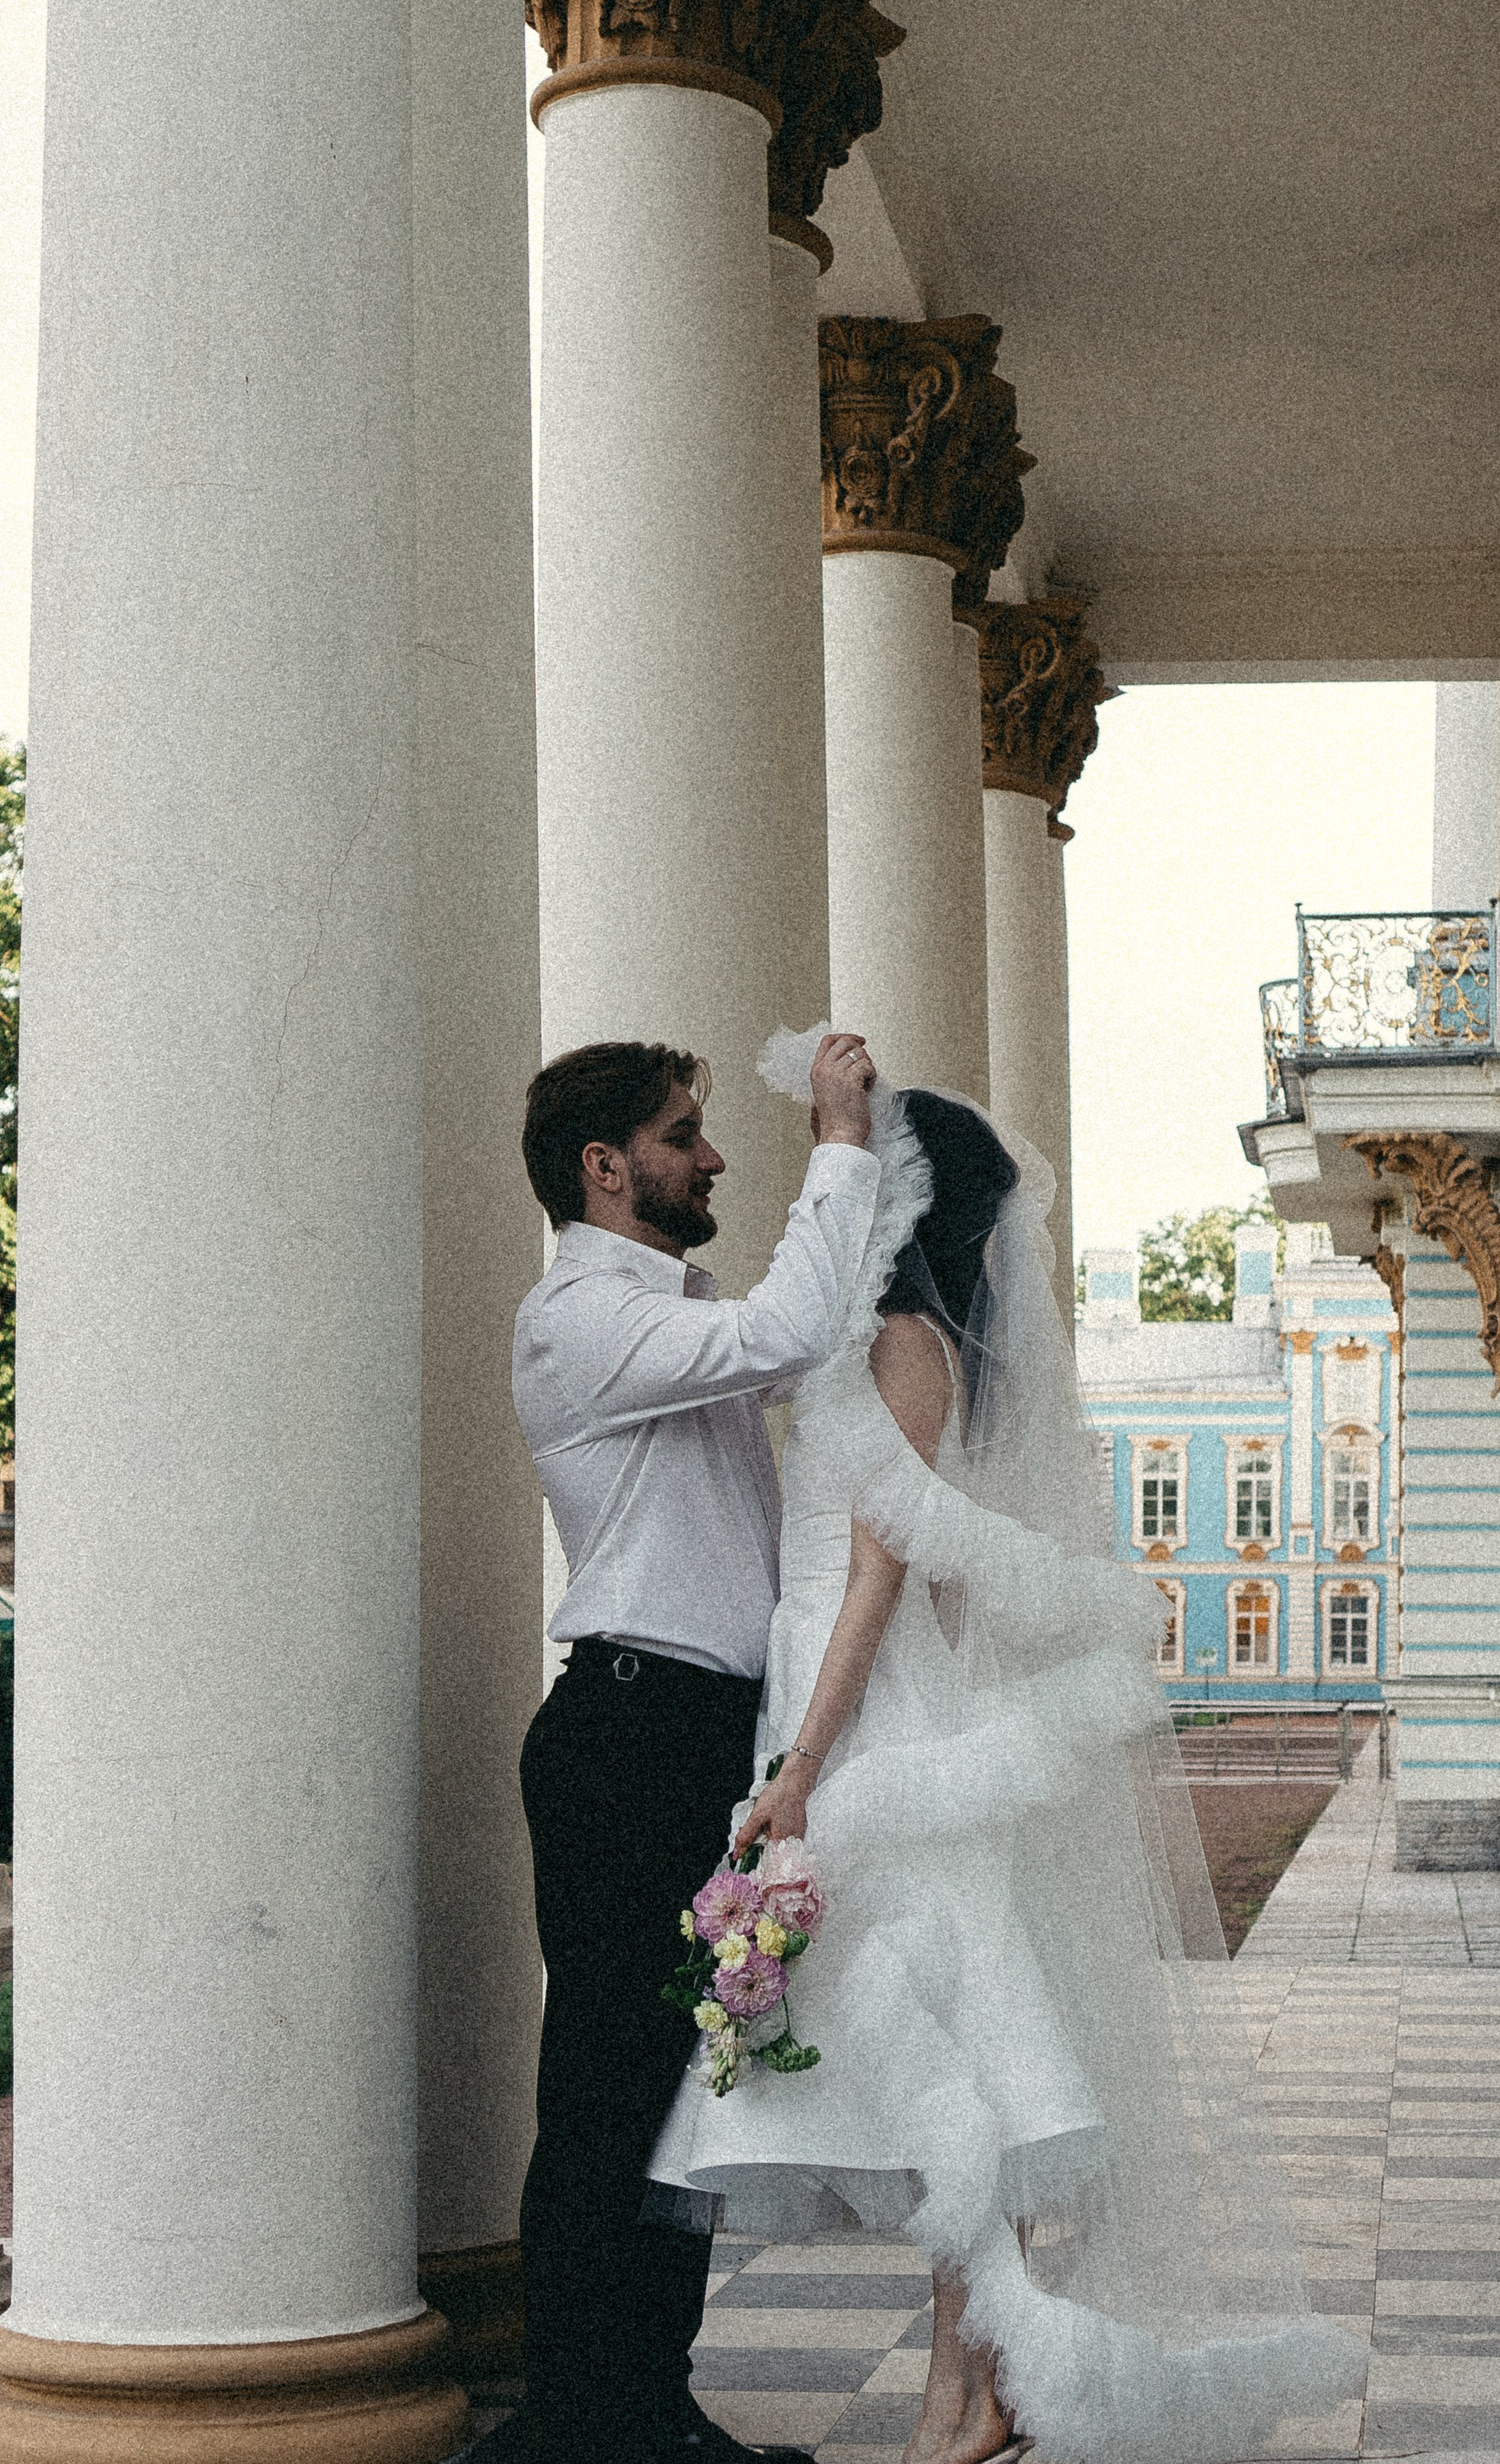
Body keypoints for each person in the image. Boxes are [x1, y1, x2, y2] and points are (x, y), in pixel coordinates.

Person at [650, 1031, 1369, 2464]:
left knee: (956, 2058)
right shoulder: (896, 1347)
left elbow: (878, 1577)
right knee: (944, 2064)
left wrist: (801, 1770)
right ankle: (965, 2387)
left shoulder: (900, 1350)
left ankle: (964, 2390)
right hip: (854, 1688)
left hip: (869, 1713)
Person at [503, 1031, 882, 2464]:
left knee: (672, 2101)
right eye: (682, 1134)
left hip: (694, 1735)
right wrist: (836, 1143)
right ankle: (579, 2427)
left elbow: (806, 1351)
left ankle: (640, 2414)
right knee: (608, 2093)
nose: (711, 1156)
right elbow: (787, 1337)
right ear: (605, 1168)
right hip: (627, 1729)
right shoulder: (581, 1317)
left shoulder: (666, 1307)